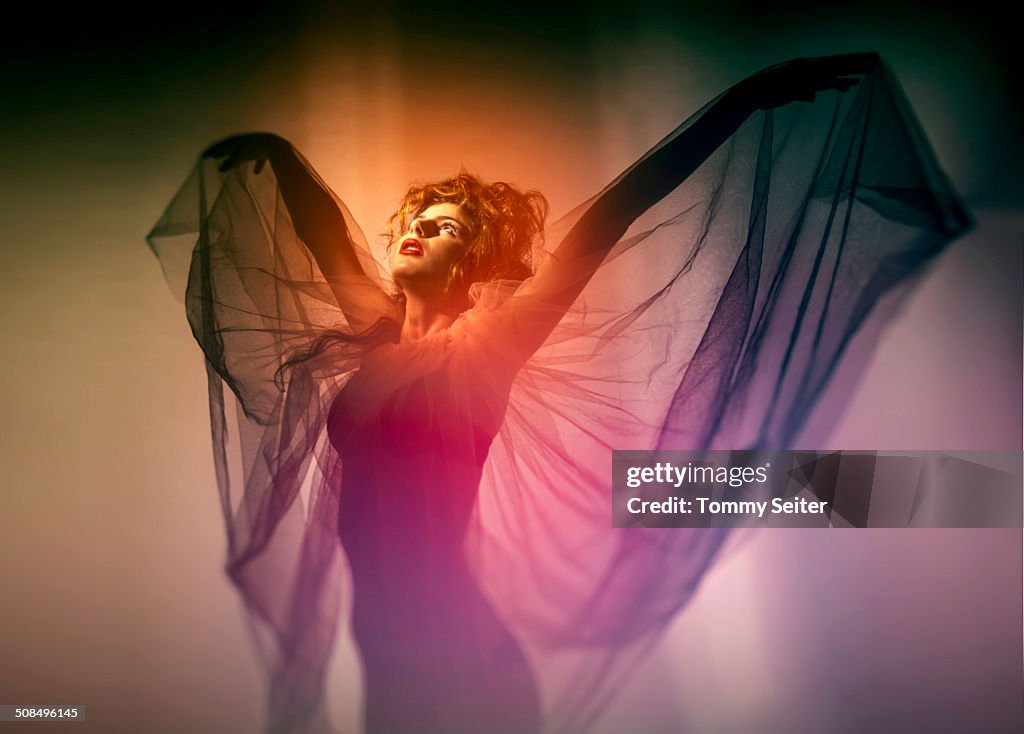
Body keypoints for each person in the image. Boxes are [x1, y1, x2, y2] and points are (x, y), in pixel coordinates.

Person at [147, 54, 970, 733]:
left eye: (445, 226)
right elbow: (325, 234)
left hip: (462, 654)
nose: (418, 227)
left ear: (476, 263)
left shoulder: (490, 349)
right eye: (415, 216)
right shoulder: (371, 338)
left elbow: (608, 219)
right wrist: (278, 154)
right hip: (385, 653)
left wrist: (742, 106)